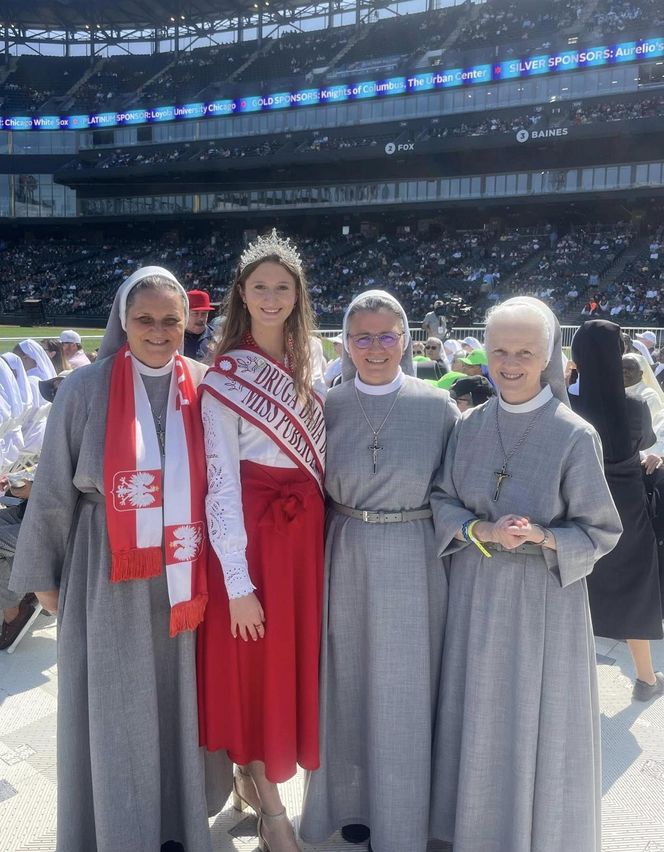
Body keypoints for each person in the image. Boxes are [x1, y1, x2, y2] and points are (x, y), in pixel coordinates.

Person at [9, 266, 230, 852]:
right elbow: (54, 487)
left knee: (177, 699)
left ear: (187, 324)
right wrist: (43, 576)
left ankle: (178, 821)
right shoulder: (85, 390)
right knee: (115, 702)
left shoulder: (206, 386)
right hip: (106, 567)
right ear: (122, 323)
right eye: (144, 320)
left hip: (186, 571)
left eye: (170, 321)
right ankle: (114, 826)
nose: (158, 332)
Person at [430, 296, 622, 852]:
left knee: (530, 726)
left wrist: (541, 536)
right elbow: (443, 500)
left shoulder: (574, 435)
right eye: (499, 351)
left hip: (543, 605)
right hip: (473, 593)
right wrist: (481, 531)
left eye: (525, 352)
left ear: (548, 358)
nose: (510, 364)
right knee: (477, 719)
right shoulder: (467, 426)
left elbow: (601, 532)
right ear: (484, 355)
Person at [300, 290, 459, 852]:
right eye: (361, 337)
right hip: (344, 552)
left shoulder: (437, 407)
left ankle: (406, 814)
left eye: (386, 335)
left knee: (408, 688)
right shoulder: (324, 403)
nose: (374, 348)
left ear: (406, 339)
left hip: (415, 557)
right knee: (346, 684)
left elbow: (452, 491)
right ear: (344, 343)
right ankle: (350, 806)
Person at [196, 231, 325, 852]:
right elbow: (218, 487)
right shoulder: (225, 376)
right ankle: (272, 812)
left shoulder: (316, 361)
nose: (271, 297)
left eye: (282, 287)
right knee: (252, 672)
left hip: (304, 543)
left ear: (297, 294)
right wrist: (238, 586)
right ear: (241, 295)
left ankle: (257, 788)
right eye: (259, 287)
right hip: (250, 542)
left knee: (289, 669)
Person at [570, 320, 663, 701]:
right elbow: (643, 444)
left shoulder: (567, 404)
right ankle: (646, 678)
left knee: (577, 588)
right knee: (633, 589)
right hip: (625, 508)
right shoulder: (636, 406)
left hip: (579, 503)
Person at [623, 353, 664, 453]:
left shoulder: (649, 396)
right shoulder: (614, 392)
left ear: (641, 373)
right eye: (620, 368)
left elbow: (650, 434)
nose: (624, 371)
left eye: (630, 368)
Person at [183, 289, 214, 361]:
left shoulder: (217, 338)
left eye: (204, 313)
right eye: (195, 313)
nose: (201, 319)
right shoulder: (175, 337)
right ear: (185, 314)